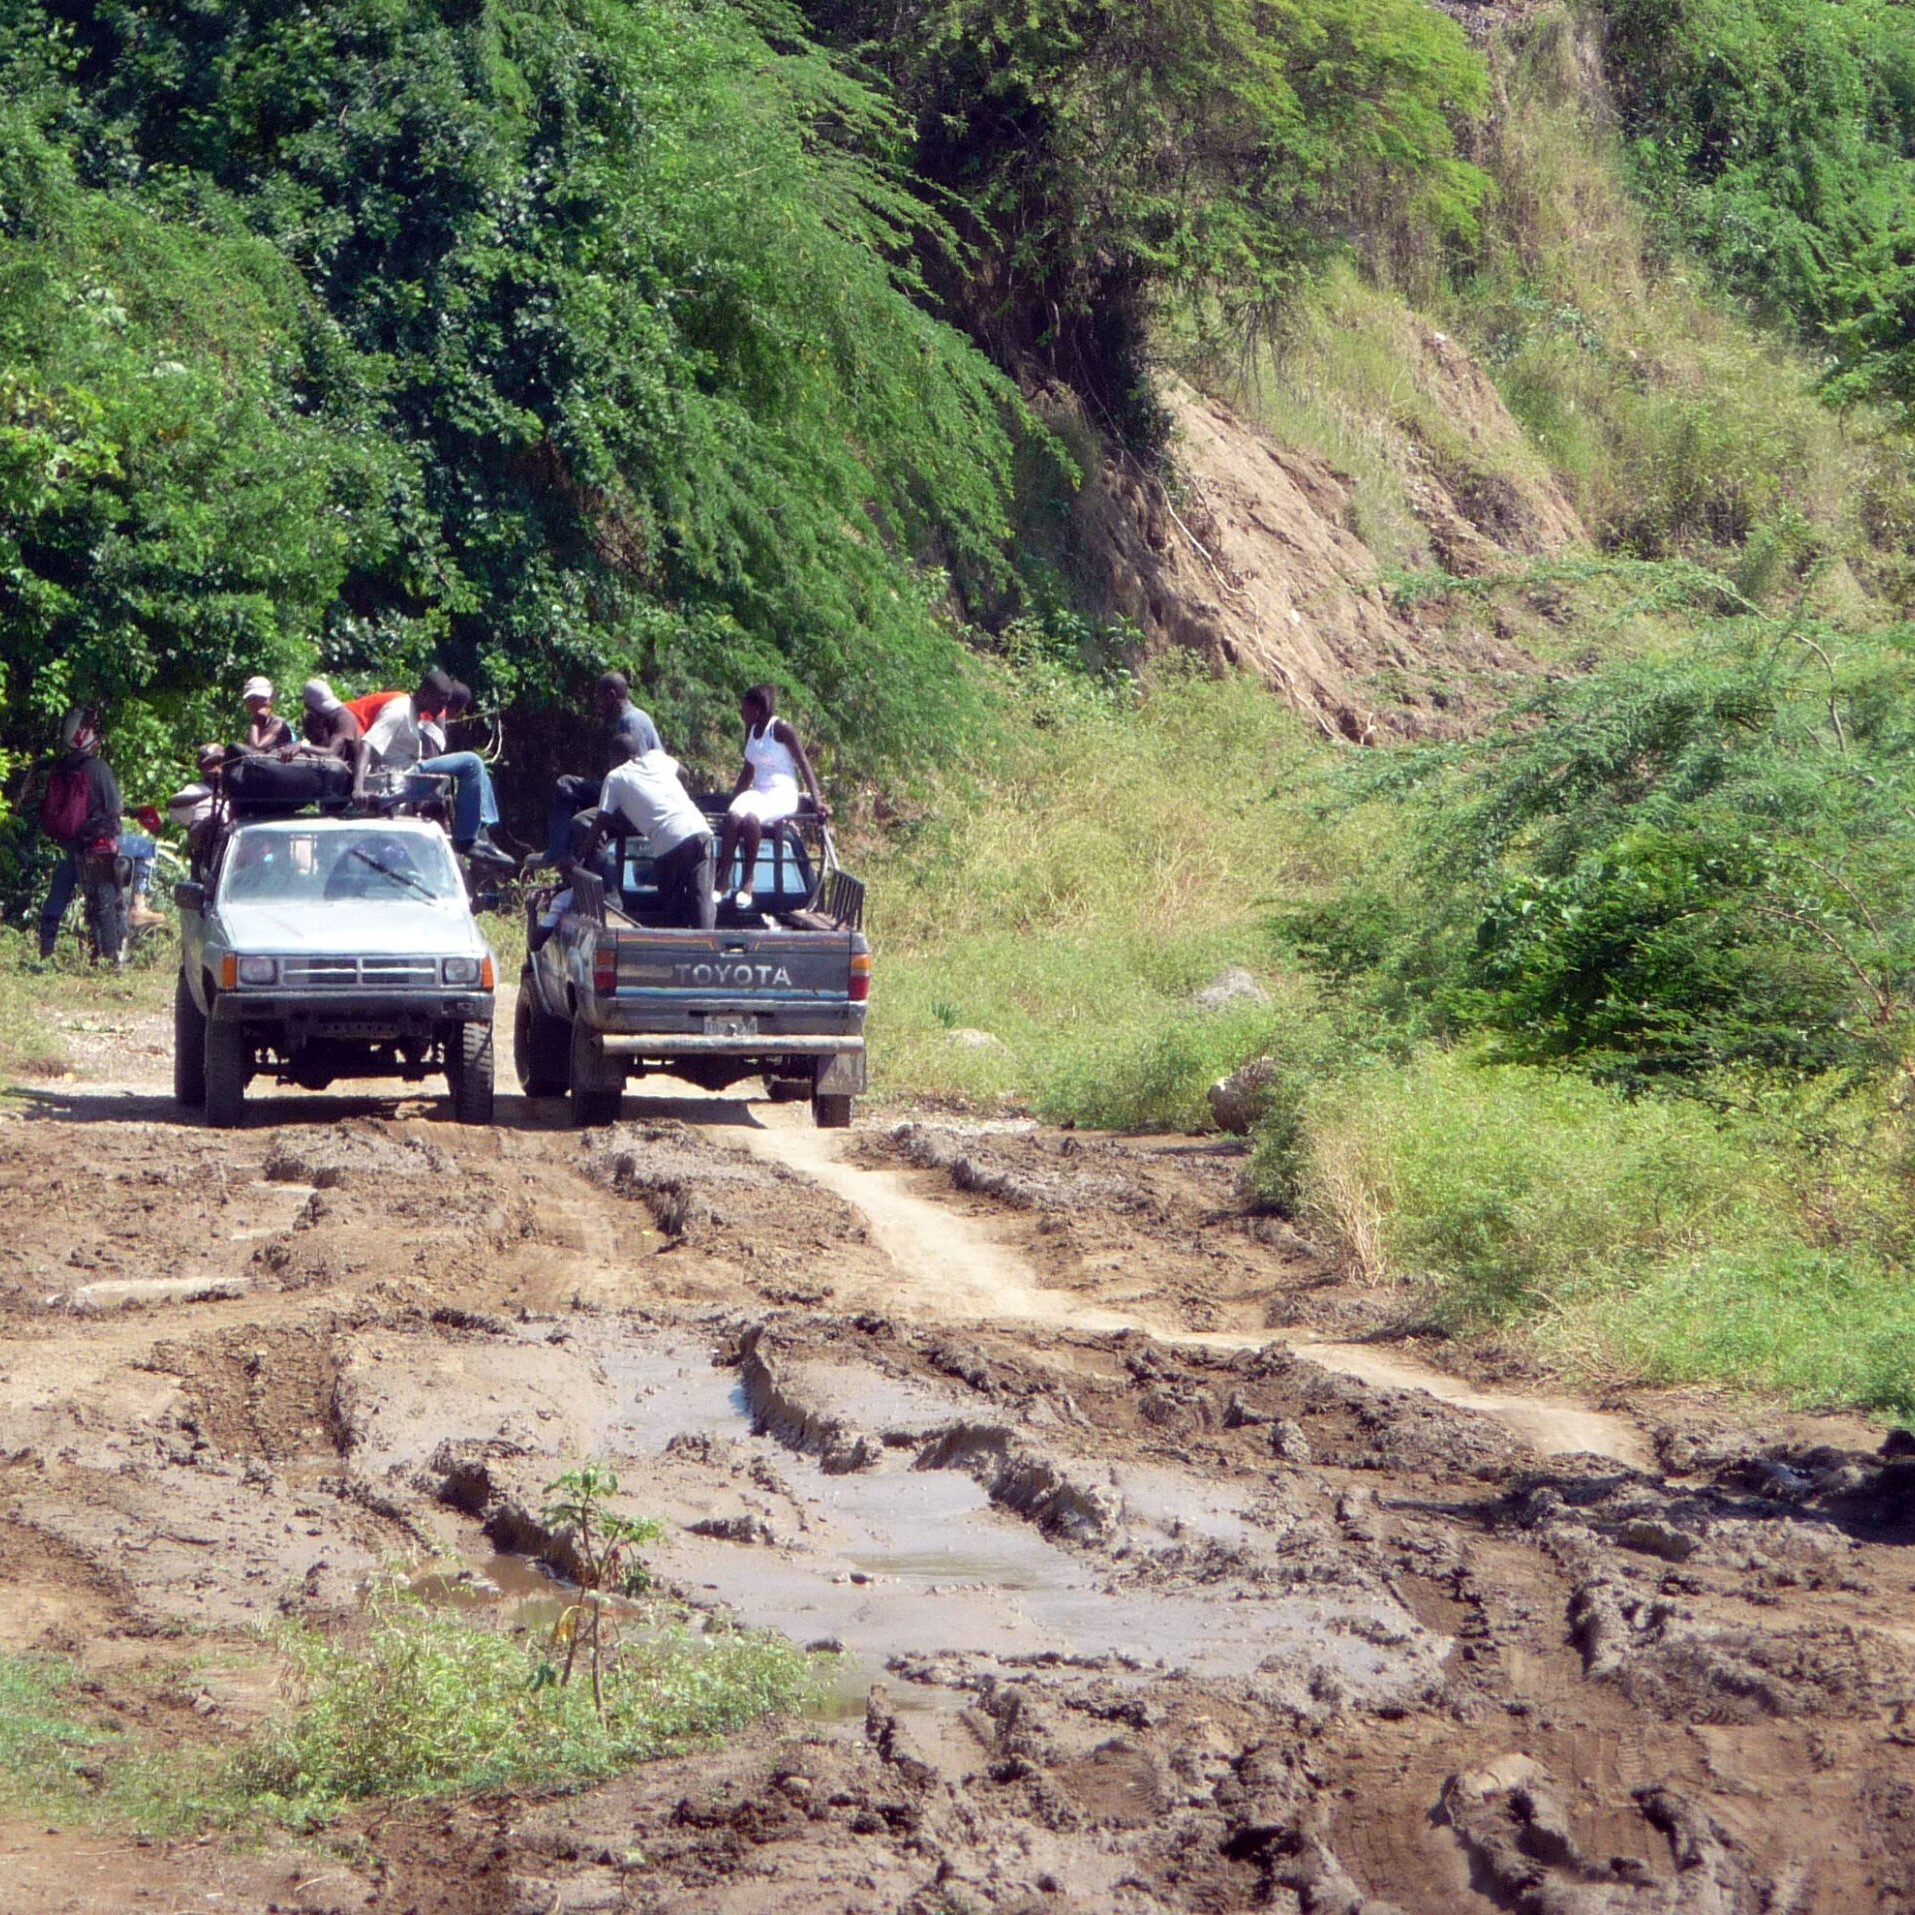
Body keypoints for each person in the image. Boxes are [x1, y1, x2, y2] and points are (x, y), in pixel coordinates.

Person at [714, 684, 828, 912]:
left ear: (757, 709)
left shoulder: (781, 728)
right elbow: (749, 768)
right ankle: (723, 880)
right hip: (759, 789)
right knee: (734, 815)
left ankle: (748, 881)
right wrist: (734, 797)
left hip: (782, 791)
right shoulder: (751, 730)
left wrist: (817, 800)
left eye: (744, 709)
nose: (742, 713)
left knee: (751, 819)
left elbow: (803, 763)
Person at [578, 747, 716, 929]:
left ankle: (678, 950)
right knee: (702, 897)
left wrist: (579, 857)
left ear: (615, 758)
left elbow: (601, 821)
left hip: (669, 842)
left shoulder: (615, 777)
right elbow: (684, 773)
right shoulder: (656, 758)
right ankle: (707, 948)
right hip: (701, 830)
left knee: (672, 906)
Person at [542, 671, 663, 866]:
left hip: (635, 797)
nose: (597, 704)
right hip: (633, 791)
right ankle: (566, 853)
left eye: (599, 698)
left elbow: (635, 772)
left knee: (565, 785)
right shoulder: (634, 718)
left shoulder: (631, 721)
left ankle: (558, 852)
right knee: (577, 793)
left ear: (611, 696)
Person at [36, 706, 127, 964]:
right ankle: (110, 953)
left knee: (59, 892)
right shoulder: (98, 768)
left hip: (70, 842)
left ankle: (46, 948)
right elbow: (115, 805)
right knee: (108, 897)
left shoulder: (61, 768)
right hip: (98, 841)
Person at [409, 677, 514, 870]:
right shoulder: (432, 724)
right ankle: (473, 837)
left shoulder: (425, 718)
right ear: (455, 709)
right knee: (472, 764)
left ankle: (478, 832)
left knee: (473, 769)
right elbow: (428, 764)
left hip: (416, 774)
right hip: (415, 780)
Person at [242, 676, 294, 753]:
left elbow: (256, 749)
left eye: (260, 698)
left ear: (270, 700)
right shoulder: (259, 724)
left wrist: (255, 722)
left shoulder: (277, 723)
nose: (256, 703)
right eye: (252, 699)